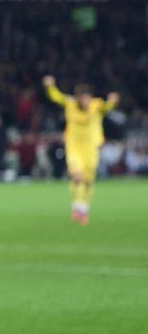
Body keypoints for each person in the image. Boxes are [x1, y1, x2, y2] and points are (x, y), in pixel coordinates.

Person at [42, 75, 119, 224]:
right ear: (78, 98)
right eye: (82, 98)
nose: (85, 101)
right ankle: (77, 205)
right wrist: (50, 86)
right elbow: (56, 97)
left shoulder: (96, 105)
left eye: (87, 98)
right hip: (74, 146)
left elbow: (107, 107)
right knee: (77, 175)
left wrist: (112, 101)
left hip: (91, 147)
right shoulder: (70, 104)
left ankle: (83, 208)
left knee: (88, 180)